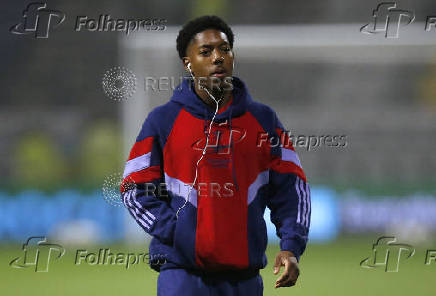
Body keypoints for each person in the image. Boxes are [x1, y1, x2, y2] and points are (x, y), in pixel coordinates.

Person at [120, 15, 311, 296]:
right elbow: (133, 187)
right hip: (182, 275)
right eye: (206, 52)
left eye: (224, 49)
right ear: (188, 63)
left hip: (243, 278)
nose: (218, 58)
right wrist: (176, 232)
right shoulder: (163, 121)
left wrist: (291, 245)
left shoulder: (263, 120)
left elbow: (292, 187)